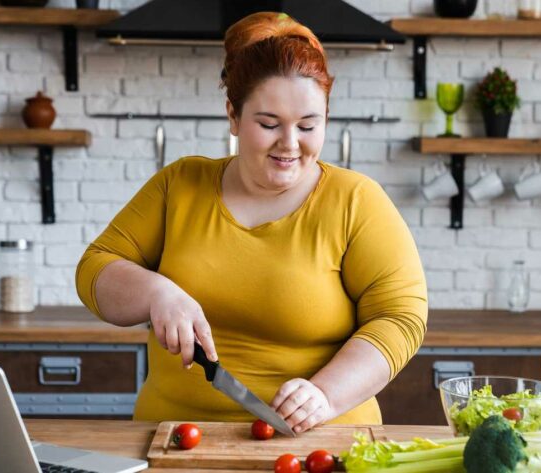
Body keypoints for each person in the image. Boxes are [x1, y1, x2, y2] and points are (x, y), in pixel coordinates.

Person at [76, 12, 427, 433]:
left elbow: (401, 318)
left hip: (318, 442)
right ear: (233, 116)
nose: (290, 144)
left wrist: (326, 394)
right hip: (170, 440)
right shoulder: (180, 185)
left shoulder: (356, 201)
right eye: (269, 124)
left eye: (309, 125)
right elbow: (95, 267)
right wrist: (155, 292)